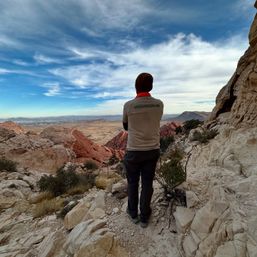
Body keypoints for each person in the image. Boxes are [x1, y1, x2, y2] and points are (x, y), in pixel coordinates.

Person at [123, 72, 163, 228]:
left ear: (135, 87)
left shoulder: (129, 105)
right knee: (147, 184)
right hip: (152, 150)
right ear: (151, 86)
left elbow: (126, 126)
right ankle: (145, 216)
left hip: (134, 151)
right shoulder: (159, 104)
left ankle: (133, 213)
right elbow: (155, 121)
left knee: (132, 183)